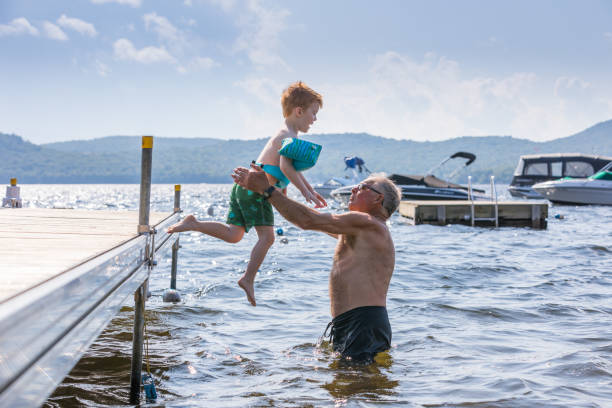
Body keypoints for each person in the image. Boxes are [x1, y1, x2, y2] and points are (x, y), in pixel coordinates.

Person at [167, 81, 327, 306]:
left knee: (234, 235)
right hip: (254, 191)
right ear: (299, 111)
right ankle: (248, 278)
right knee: (268, 238)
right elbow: (287, 169)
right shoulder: (287, 137)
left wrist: (311, 191)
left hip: (243, 189)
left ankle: (194, 223)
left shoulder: (286, 134)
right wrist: (306, 193)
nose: (315, 119)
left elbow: (291, 171)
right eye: (313, 113)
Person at [232, 163, 401, 363]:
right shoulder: (361, 229)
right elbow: (309, 221)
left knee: (356, 388)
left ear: (378, 198)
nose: (354, 188)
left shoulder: (368, 222)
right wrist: (274, 194)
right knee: (351, 386)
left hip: (362, 322)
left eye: (363, 187)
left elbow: (308, 220)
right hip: (353, 322)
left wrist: (267, 190)